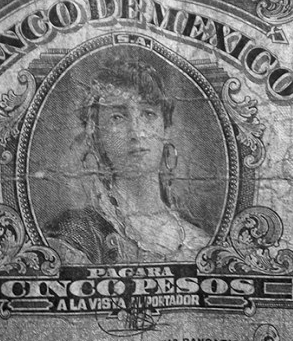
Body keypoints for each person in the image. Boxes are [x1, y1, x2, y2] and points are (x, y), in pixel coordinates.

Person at [44, 60, 212, 264]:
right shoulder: (75, 233)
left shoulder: (200, 242)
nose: (136, 132)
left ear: (166, 129)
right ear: (97, 136)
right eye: (117, 117)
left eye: (148, 114)